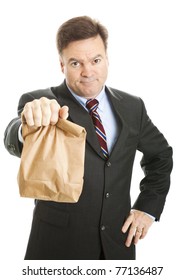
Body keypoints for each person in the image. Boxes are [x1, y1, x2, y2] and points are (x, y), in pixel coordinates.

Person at [4, 16, 173, 260]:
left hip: (118, 246)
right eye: (75, 63)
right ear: (62, 65)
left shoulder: (133, 106)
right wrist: (26, 126)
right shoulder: (42, 101)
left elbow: (161, 156)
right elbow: (15, 134)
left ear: (107, 59)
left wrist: (147, 209)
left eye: (96, 60)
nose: (88, 72)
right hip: (57, 249)